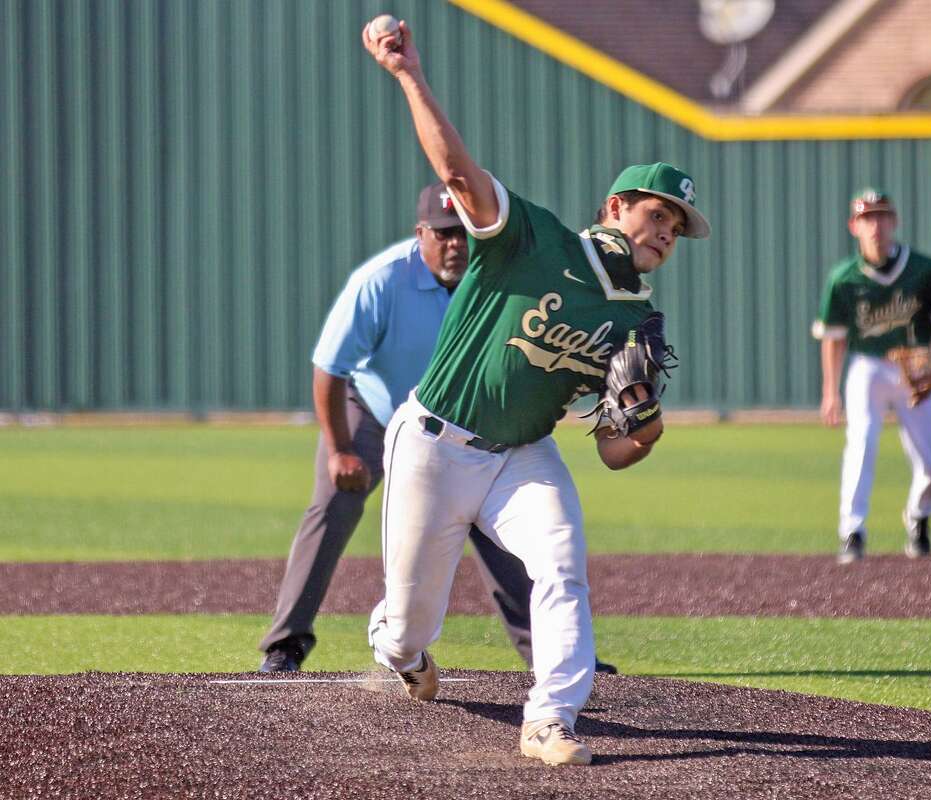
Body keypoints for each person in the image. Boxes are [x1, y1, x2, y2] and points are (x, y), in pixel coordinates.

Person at [361, 18, 710, 767]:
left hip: (521, 455)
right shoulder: (534, 238)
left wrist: (647, 427)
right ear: (615, 207)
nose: (665, 233)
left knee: (561, 563)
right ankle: (398, 647)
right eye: (657, 213)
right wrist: (408, 74)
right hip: (433, 443)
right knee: (408, 629)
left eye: (676, 228)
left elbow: (615, 452)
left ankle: (550, 719)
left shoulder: (635, 319)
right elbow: (457, 176)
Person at [258, 181, 613, 675]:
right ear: (419, 233)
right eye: (442, 233)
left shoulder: (494, 277)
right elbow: (330, 367)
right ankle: (286, 642)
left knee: (502, 529)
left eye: (462, 232)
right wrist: (340, 449)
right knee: (332, 508)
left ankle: (551, 652)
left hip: (464, 424)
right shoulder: (382, 281)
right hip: (377, 413)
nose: (454, 244)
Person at [812, 189, 931, 565]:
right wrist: (831, 391)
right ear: (853, 226)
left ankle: (919, 516)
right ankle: (852, 531)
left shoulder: (924, 269)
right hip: (869, 366)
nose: (875, 225)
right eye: (867, 218)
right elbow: (833, 339)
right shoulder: (843, 279)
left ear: (895, 222)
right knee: (861, 445)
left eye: (881, 216)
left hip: (914, 368)